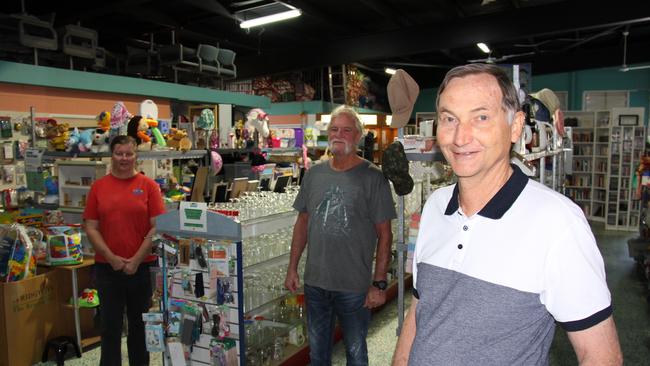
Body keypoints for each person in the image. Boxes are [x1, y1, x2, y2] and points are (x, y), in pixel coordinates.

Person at [392, 64, 622, 366]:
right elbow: (419, 310)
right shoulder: (435, 207)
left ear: (515, 127)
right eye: (449, 118)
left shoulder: (558, 223)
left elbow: (602, 356)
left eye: (481, 117)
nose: (461, 137)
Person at [284, 105, 397, 365]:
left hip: (354, 287)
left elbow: (385, 234)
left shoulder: (373, 178)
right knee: (317, 354)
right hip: (316, 283)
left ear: (358, 136)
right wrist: (292, 268)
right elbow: (302, 222)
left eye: (346, 130)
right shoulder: (314, 175)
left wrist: (379, 283)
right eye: (334, 129)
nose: (339, 135)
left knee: (356, 355)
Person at [83, 135, 166, 366]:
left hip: (142, 268)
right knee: (110, 328)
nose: (124, 158)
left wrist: (136, 260)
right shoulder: (99, 187)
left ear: (136, 156)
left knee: (139, 328)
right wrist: (112, 259)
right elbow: (91, 227)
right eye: (119, 153)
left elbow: (156, 227)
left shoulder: (149, 186)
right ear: (112, 155)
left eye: (129, 154)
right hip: (107, 269)